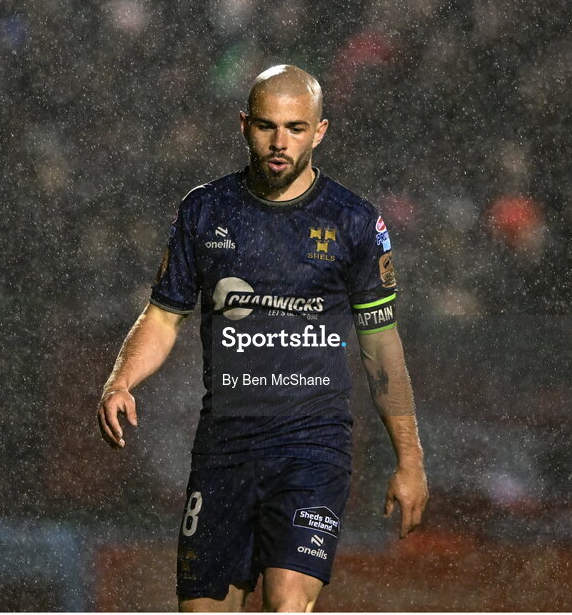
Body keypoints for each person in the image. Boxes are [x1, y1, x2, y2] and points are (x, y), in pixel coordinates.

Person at [97, 65, 428, 612]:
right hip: (225, 446)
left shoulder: (354, 222)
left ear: (320, 131)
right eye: (268, 127)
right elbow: (162, 317)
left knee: (285, 601)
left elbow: (381, 348)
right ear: (244, 125)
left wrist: (410, 461)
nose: (280, 143)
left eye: (296, 128)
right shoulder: (205, 211)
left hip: (312, 446)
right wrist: (120, 381)